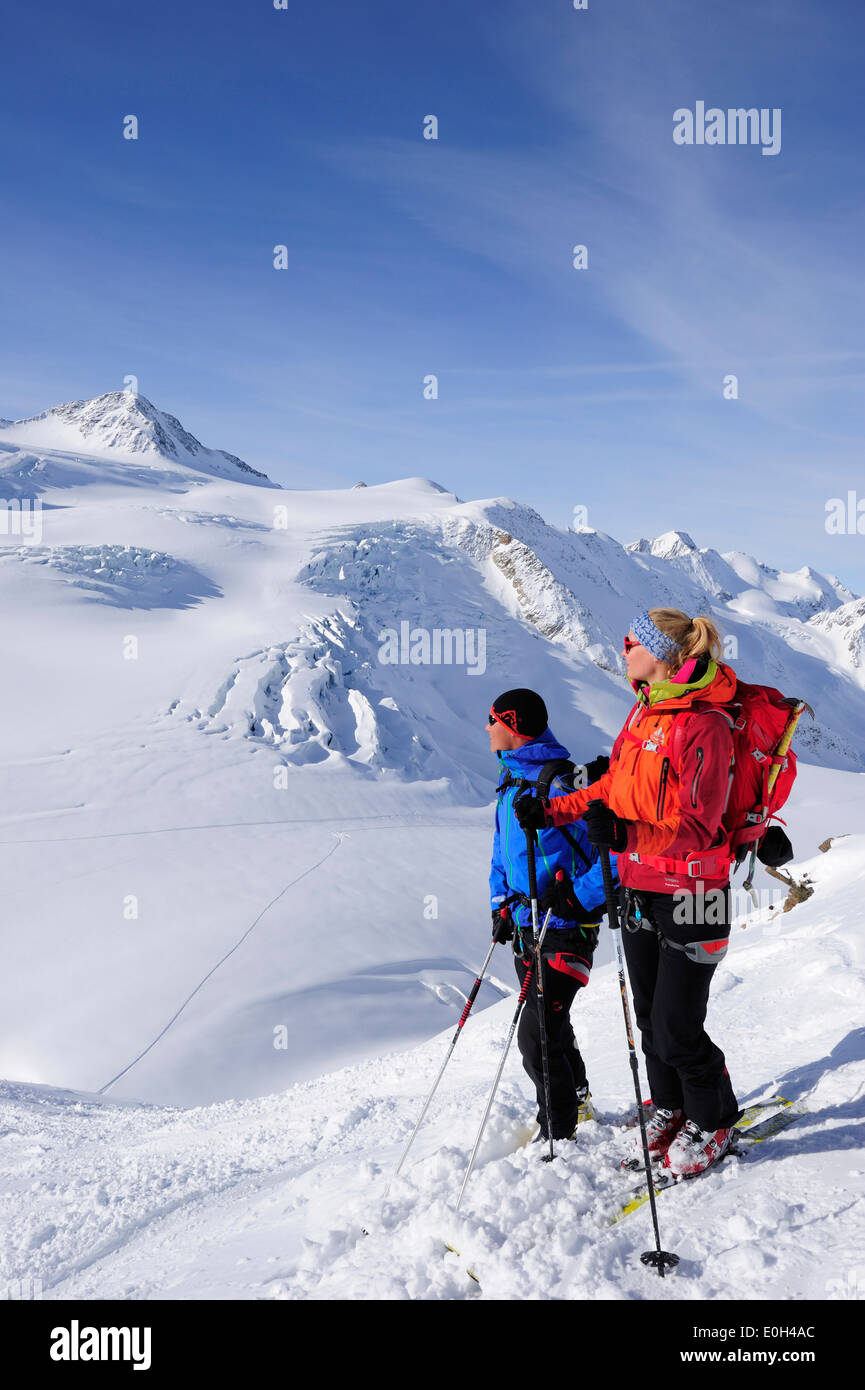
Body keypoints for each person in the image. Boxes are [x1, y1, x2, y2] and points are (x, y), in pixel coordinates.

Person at [516, 609, 742, 1178]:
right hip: (639, 886)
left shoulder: (705, 726)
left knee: (676, 1023)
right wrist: (550, 810)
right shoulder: (643, 713)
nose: (623, 651)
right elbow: (609, 789)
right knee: (647, 1014)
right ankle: (670, 1106)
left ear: (664, 653)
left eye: (631, 641)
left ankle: (713, 1118)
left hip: (695, 890)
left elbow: (702, 823)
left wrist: (628, 834)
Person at [487, 687, 616, 1144]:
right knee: (551, 1028)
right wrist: (500, 904)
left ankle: (558, 1135)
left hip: (566, 926)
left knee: (536, 1036)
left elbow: (614, 849)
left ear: (514, 726)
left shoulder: (562, 782)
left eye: (493, 720)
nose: (487, 728)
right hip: (527, 926)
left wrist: (579, 898)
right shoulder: (511, 783)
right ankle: (577, 1102)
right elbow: (502, 852)